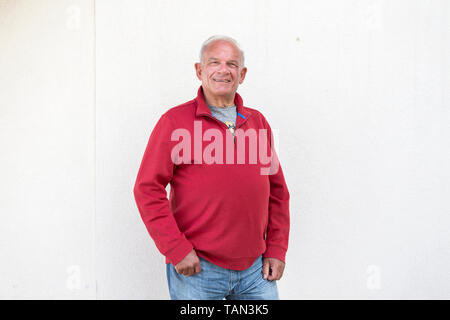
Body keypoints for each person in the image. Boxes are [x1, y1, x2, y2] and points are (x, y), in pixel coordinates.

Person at [133, 35, 290, 300]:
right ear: (199, 70)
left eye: (232, 64)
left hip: (255, 272)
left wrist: (276, 248)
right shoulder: (174, 122)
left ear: (242, 74)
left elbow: (278, 192)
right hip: (198, 271)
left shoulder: (258, 123)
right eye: (214, 62)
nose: (223, 70)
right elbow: (147, 189)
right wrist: (175, 248)